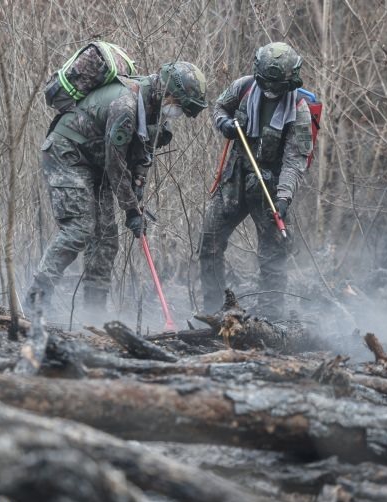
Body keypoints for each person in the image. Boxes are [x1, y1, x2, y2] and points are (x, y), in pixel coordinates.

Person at [27, 61, 208, 311]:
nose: (177, 112)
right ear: (167, 92)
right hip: (67, 153)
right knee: (78, 230)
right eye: (178, 105)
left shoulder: (153, 110)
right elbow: (115, 162)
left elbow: (139, 157)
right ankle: (36, 298)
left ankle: (94, 314)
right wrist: (131, 209)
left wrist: (137, 197)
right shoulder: (126, 105)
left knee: (107, 241)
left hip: (94, 164)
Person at [199, 42, 313, 318]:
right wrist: (224, 124)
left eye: (277, 84)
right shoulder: (243, 87)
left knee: (273, 256)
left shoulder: (299, 110)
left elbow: (295, 159)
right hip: (236, 177)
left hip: (270, 186)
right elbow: (219, 108)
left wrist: (284, 198)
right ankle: (214, 312)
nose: (270, 88)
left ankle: (271, 317)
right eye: (266, 81)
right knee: (210, 242)